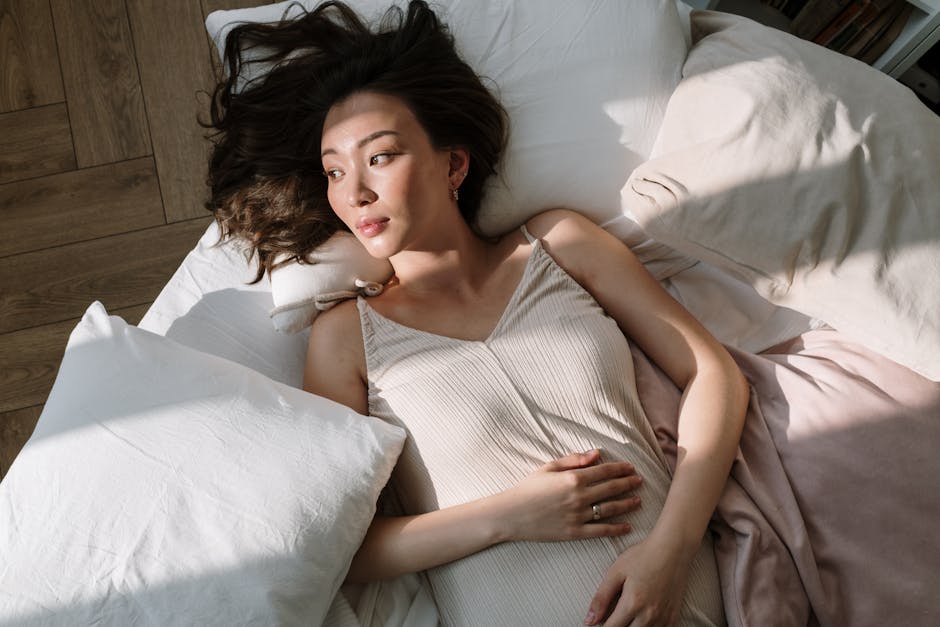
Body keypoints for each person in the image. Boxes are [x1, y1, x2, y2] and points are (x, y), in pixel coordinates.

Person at [205, 2, 749, 625]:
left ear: (453, 164)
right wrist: (511, 515)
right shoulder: (345, 338)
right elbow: (341, 543)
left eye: (379, 156)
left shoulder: (558, 245)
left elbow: (713, 374)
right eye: (334, 171)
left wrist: (673, 549)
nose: (354, 192)